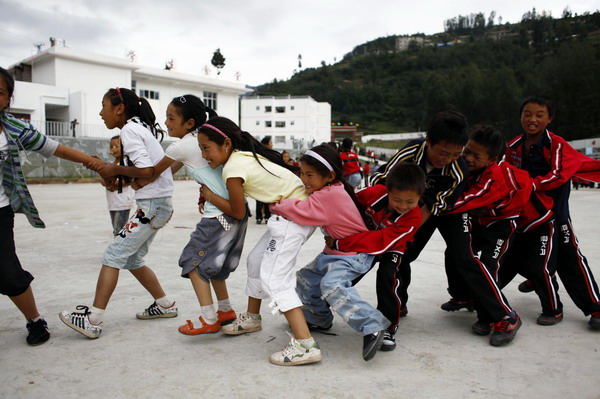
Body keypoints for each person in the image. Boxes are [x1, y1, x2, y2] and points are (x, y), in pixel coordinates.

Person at [371, 110, 522, 346]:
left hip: (447, 210)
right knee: (403, 253)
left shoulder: (458, 168)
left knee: (465, 257)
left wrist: (406, 230)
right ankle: (397, 303)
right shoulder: (410, 152)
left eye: (455, 153)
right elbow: (382, 182)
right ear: (428, 141)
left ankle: (505, 315)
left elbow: (434, 206)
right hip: (414, 206)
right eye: (442, 152)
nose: (447, 159)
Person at [197, 117, 320, 366]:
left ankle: (306, 345)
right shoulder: (241, 157)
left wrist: (209, 195)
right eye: (200, 149)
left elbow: (238, 211)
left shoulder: (233, 168)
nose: (203, 155)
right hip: (291, 214)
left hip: (294, 217)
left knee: (275, 277)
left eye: (206, 148)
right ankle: (253, 318)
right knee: (256, 260)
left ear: (226, 144)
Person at [59, 87, 177, 339]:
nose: (101, 113)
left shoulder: (130, 130)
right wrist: (114, 169)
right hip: (157, 204)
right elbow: (145, 170)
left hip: (152, 206)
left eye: (104, 106)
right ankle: (165, 305)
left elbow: (146, 170)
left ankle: (93, 319)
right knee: (133, 259)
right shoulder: (138, 127)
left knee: (112, 255)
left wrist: (114, 170)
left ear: (119, 108)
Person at [0, 67, 98, 345]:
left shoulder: (13, 129)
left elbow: (55, 148)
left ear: (8, 99)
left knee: (7, 272)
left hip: (0, 211)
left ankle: (34, 320)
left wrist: (95, 164)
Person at [133, 94, 245, 335]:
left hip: (218, 216)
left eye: (171, 118)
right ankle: (225, 310)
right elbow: (167, 172)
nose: (166, 123)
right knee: (215, 265)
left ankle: (208, 318)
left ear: (190, 123)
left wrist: (123, 177)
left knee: (192, 262)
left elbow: (153, 173)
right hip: (234, 214)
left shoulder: (182, 145)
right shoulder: (201, 140)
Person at [271, 145, 389, 361]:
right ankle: (318, 318)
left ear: (330, 176)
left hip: (354, 254)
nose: (304, 179)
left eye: (309, 175)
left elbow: (300, 211)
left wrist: (277, 204)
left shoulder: (329, 195)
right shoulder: (329, 189)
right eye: (301, 173)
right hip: (335, 252)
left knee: (331, 286)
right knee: (305, 279)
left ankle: (372, 325)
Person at [444, 125, 554, 335]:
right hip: (481, 223)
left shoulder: (493, 177)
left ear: (492, 160)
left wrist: (437, 204)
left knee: (488, 265)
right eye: (467, 151)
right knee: (454, 253)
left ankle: (495, 317)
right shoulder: (463, 167)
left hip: (500, 227)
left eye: (476, 156)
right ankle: (463, 295)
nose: (468, 158)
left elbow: (466, 201)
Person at [505, 96, 600, 329]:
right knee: (520, 254)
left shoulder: (556, 144)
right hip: (528, 217)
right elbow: (505, 174)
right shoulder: (514, 146)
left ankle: (595, 308)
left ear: (550, 118)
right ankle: (536, 278)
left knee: (571, 260)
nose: (532, 119)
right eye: (527, 113)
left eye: (539, 114)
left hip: (556, 216)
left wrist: (528, 185)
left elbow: (558, 175)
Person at [326, 162, 424, 351]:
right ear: (387, 191)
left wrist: (341, 243)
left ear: (420, 197)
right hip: (363, 237)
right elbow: (348, 204)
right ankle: (321, 308)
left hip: (392, 246)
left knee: (388, 275)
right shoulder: (374, 193)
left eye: (410, 202)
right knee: (344, 270)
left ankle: (387, 327)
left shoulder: (413, 218)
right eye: (397, 200)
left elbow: (381, 241)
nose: (403, 206)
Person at [103, 135, 135, 236]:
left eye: (117, 146)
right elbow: (104, 179)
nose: (114, 149)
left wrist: (112, 182)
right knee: (116, 229)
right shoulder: (112, 165)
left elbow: (128, 179)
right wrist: (106, 181)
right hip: (113, 203)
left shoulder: (126, 163)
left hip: (122, 202)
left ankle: (121, 249)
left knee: (119, 231)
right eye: (111, 147)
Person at [254, 136, 273, 224]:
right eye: (271, 142)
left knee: (262, 199)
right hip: (263, 178)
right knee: (263, 199)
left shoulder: (259, 152)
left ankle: (261, 217)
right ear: (267, 143)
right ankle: (264, 216)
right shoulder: (265, 153)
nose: (272, 144)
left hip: (263, 179)